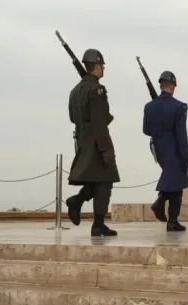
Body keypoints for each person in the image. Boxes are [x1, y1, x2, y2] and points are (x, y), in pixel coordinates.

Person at [66, 48, 119, 237]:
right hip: (97, 141)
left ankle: (77, 202)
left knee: (98, 181)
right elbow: (99, 122)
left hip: (82, 139)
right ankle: (97, 222)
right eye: (102, 65)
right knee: (106, 180)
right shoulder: (97, 89)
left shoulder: (75, 91)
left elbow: (73, 117)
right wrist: (106, 150)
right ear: (96, 66)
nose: (103, 68)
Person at [143, 71, 188, 232]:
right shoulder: (179, 106)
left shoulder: (149, 107)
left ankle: (171, 220)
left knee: (175, 182)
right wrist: (186, 155)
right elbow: (181, 133)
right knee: (178, 180)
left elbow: (146, 130)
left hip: (159, 148)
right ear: (172, 86)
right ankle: (162, 206)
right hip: (174, 147)